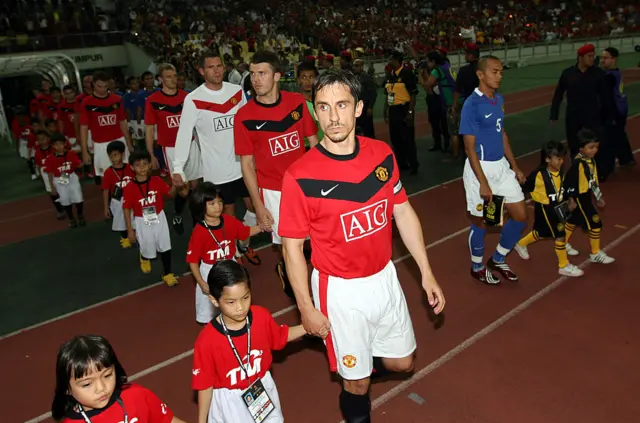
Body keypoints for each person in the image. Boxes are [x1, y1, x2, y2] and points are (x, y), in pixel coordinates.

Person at [279, 69, 445, 423]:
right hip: (339, 289)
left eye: (341, 105)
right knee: (356, 386)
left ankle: (356, 368)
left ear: (359, 108)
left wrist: (426, 273)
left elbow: (402, 212)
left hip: (383, 277)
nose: (333, 117)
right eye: (323, 107)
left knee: (403, 362)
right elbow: (291, 249)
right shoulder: (300, 176)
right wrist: (306, 309)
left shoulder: (382, 155)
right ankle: (354, 383)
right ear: (314, 110)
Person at [234, 50, 320, 298]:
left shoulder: (297, 103)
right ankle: (303, 294)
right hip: (274, 191)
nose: (256, 79)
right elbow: (247, 166)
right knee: (289, 246)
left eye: (262, 73)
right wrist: (259, 207)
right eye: (252, 74)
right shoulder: (244, 116)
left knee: (314, 238)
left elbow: (313, 143)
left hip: (305, 185)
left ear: (277, 76)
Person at [191, 260, 307, 423]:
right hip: (229, 402)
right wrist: (202, 421)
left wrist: (307, 327)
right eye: (231, 302)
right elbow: (205, 385)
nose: (240, 307)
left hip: (261, 388)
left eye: (245, 297)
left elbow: (280, 335)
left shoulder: (261, 316)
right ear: (214, 300)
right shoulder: (207, 340)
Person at [459, 55, 528, 285]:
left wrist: (515, 166)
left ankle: (498, 258)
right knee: (483, 221)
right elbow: (469, 149)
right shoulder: (471, 104)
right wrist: (483, 183)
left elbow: (502, 135)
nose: (500, 76)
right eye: (495, 72)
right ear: (481, 74)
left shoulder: (498, 100)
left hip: (501, 167)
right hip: (481, 170)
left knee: (520, 215)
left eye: (501, 72)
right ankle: (476, 266)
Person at [51, 334, 186, 423]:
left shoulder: (137, 395)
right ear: (67, 389)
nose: (101, 388)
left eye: (107, 375)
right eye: (87, 384)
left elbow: (168, 420)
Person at [187, 183, 262, 325]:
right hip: (209, 270)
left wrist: (261, 227)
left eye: (220, 202)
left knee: (234, 302)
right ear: (201, 206)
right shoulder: (199, 231)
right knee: (208, 313)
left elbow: (245, 232)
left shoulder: (228, 221)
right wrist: (201, 282)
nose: (218, 206)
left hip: (230, 266)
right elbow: (193, 261)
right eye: (212, 203)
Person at [147, 63, 204, 235]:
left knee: (195, 185)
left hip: (191, 145)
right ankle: (178, 214)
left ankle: (197, 224)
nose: (173, 79)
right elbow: (150, 128)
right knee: (182, 188)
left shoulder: (188, 96)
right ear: (160, 79)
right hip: (171, 148)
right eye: (169, 77)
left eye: (174, 76)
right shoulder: (153, 100)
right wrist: (151, 154)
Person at [514, 140, 583, 277]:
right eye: (557, 159)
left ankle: (520, 244)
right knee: (560, 234)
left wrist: (570, 199)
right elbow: (525, 188)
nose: (561, 161)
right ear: (547, 159)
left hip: (557, 207)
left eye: (562, 158)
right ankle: (563, 265)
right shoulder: (539, 175)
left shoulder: (559, 171)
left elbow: (563, 187)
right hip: (545, 209)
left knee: (541, 232)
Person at [549, 44, 609, 167]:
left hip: (592, 115)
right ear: (580, 57)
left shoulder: (598, 74)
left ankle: (597, 170)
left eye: (593, 56)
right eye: (589, 56)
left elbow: (605, 97)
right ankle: (577, 168)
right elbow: (558, 94)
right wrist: (554, 114)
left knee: (595, 143)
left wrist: (607, 116)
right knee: (574, 143)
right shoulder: (568, 73)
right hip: (573, 115)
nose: (592, 59)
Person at [562, 129, 615, 264]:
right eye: (590, 147)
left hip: (586, 196)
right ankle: (595, 253)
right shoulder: (578, 164)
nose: (594, 150)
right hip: (579, 198)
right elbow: (568, 183)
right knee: (595, 224)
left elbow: (593, 182)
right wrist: (571, 200)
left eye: (596, 147)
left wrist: (598, 197)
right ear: (581, 148)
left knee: (572, 221)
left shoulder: (590, 161)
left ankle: (562, 243)